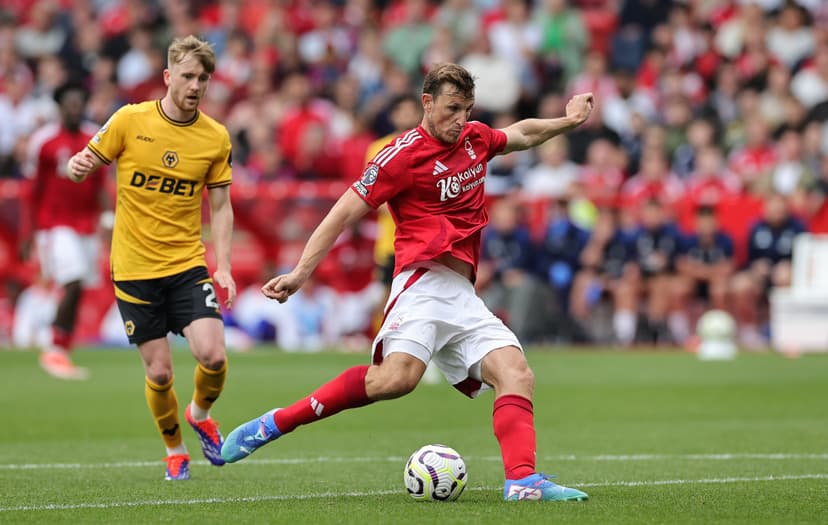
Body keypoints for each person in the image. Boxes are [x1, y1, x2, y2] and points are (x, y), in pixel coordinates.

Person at [222, 63, 594, 502]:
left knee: (516, 372)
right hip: (421, 284)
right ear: (427, 102)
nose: (461, 119)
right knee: (395, 380)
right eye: (453, 108)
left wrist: (568, 121)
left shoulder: (474, 138)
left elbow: (523, 134)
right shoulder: (399, 156)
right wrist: (301, 272)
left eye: (467, 109)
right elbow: (342, 212)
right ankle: (277, 421)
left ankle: (523, 481)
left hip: (462, 295)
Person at [65, 35, 237, 481]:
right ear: (168, 77)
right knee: (160, 374)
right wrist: (77, 166)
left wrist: (224, 264)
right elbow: (82, 160)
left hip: (186, 265)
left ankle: (200, 413)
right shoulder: (129, 120)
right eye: (187, 76)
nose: (195, 85)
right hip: (135, 270)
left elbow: (220, 205)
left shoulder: (215, 138)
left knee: (214, 357)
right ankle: (175, 449)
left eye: (203, 78)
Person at [21, 82, 107, 380]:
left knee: (80, 284)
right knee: (71, 280)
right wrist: (28, 233)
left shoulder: (95, 138)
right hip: (54, 225)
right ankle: (54, 346)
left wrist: (106, 218)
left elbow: (101, 183)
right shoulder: (44, 141)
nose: (74, 108)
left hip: (86, 224)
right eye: (69, 103)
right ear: (59, 106)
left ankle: (63, 348)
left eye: (79, 103)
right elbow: (33, 190)